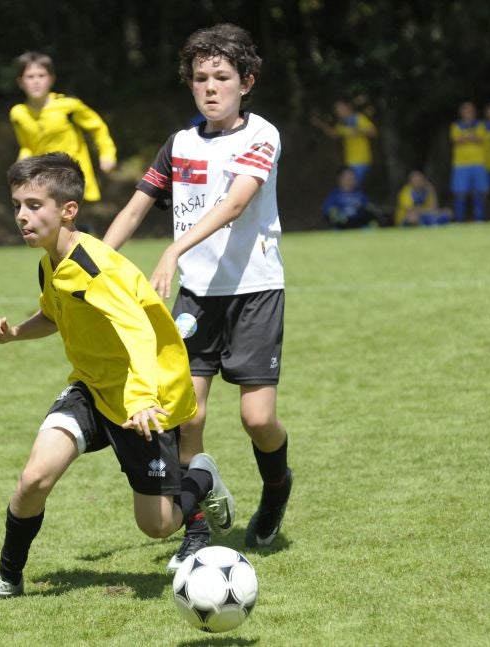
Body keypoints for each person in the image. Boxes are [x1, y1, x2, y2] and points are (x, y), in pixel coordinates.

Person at [0, 152, 235, 607]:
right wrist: (15, 335)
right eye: (17, 206)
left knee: (158, 526)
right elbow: (53, 313)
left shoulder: (95, 267)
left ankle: (200, 475)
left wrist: (142, 399)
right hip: (90, 386)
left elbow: (138, 333)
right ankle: (8, 578)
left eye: (34, 205)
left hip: (141, 395)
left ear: (69, 210)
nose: (22, 217)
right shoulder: (51, 261)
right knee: (33, 479)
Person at [102, 23, 293, 570]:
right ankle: (198, 530)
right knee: (186, 415)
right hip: (196, 299)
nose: (210, 87)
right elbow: (136, 207)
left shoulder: (262, 135)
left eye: (223, 77)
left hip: (255, 292)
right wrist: (90, 265)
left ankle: (275, 487)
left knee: (257, 419)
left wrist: (172, 250)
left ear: (246, 82)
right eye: (201, 78)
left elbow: (234, 205)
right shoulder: (179, 145)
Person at [9, 52, 117, 204]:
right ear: (20, 82)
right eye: (30, 77)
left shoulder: (68, 106)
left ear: (51, 79)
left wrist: (107, 153)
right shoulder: (18, 114)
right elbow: (27, 146)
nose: (36, 81)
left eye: (41, 75)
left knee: (74, 221)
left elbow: (97, 127)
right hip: (44, 180)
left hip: (74, 176)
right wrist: (21, 163)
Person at [311, 98, 377, 185]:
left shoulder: (358, 118)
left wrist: (359, 130)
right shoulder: (342, 123)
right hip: (350, 162)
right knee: (351, 187)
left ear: (348, 107)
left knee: (351, 186)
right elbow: (334, 133)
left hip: (361, 160)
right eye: (337, 110)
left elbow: (373, 132)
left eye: (340, 108)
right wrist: (320, 124)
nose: (338, 112)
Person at [449, 100, 488, 222]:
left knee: (479, 192)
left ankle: (479, 218)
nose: (468, 112)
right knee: (460, 193)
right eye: (466, 110)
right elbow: (457, 140)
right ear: (461, 112)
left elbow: (480, 139)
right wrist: (471, 137)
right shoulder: (456, 126)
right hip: (461, 165)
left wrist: (466, 137)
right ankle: (459, 219)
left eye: (471, 110)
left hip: (478, 163)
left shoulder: (480, 125)